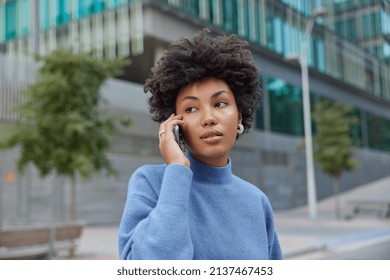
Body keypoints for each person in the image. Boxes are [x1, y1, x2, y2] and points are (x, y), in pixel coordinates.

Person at [118, 29, 282, 260]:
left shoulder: (257, 201)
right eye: (191, 109)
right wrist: (177, 169)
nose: (208, 118)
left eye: (221, 103)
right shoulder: (151, 184)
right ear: (174, 123)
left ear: (239, 117)